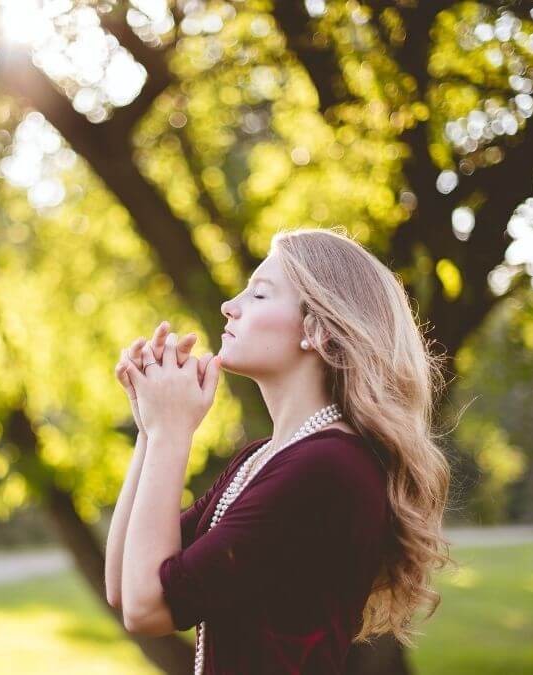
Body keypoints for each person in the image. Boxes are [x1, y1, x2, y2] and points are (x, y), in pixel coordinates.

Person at [105, 227, 454, 674]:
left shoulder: (326, 468)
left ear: (319, 330)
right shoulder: (264, 458)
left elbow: (148, 609)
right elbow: (123, 584)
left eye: (259, 295)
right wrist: (151, 428)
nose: (229, 306)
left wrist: (173, 432)